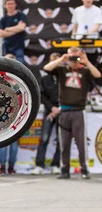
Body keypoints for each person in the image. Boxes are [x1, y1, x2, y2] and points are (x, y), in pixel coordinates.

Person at [43, 47, 101, 179]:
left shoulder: (85, 71)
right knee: (64, 143)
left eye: (77, 57)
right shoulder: (62, 69)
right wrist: (62, 59)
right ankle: (65, 169)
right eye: (72, 57)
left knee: (81, 143)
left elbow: (98, 75)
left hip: (79, 111)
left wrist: (86, 61)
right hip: (64, 110)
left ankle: (84, 169)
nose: (74, 60)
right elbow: (47, 68)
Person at [30, 52, 61, 175]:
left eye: (58, 60)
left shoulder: (64, 76)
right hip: (50, 110)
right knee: (44, 137)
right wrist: (52, 108)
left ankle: (56, 164)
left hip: (63, 109)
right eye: (53, 60)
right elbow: (41, 95)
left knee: (61, 139)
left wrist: (59, 108)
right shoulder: (44, 78)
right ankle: (39, 165)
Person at [0, 0, 27, 64]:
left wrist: (7, 29)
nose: (10, 6)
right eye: (8, 4)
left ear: (15, 5)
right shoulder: (3, 19)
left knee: (20, 65)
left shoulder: (21, 15)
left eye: (12, 4)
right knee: (4, 65)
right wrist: (16, 29)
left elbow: (22, 28)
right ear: (5, 6)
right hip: (6, 46)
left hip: (18, 45)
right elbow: (0, 34)